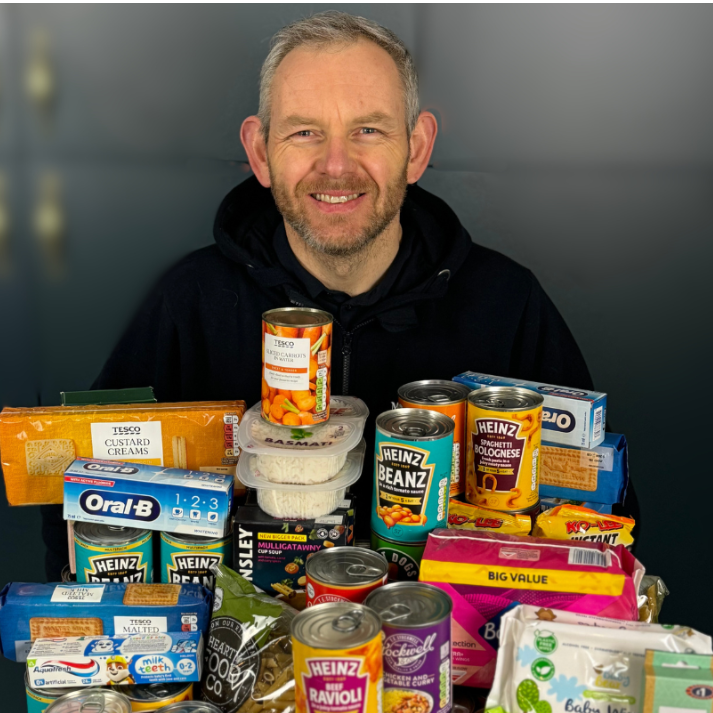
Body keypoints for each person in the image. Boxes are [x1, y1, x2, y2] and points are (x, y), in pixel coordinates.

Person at [41, 11, 635, 578]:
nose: (336, 165)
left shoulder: (506, 302)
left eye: (368, 130)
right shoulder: (190, 301)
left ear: (418, 148)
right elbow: (80, 498)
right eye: (305, 132)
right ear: (259, 152)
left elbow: (603, 518)